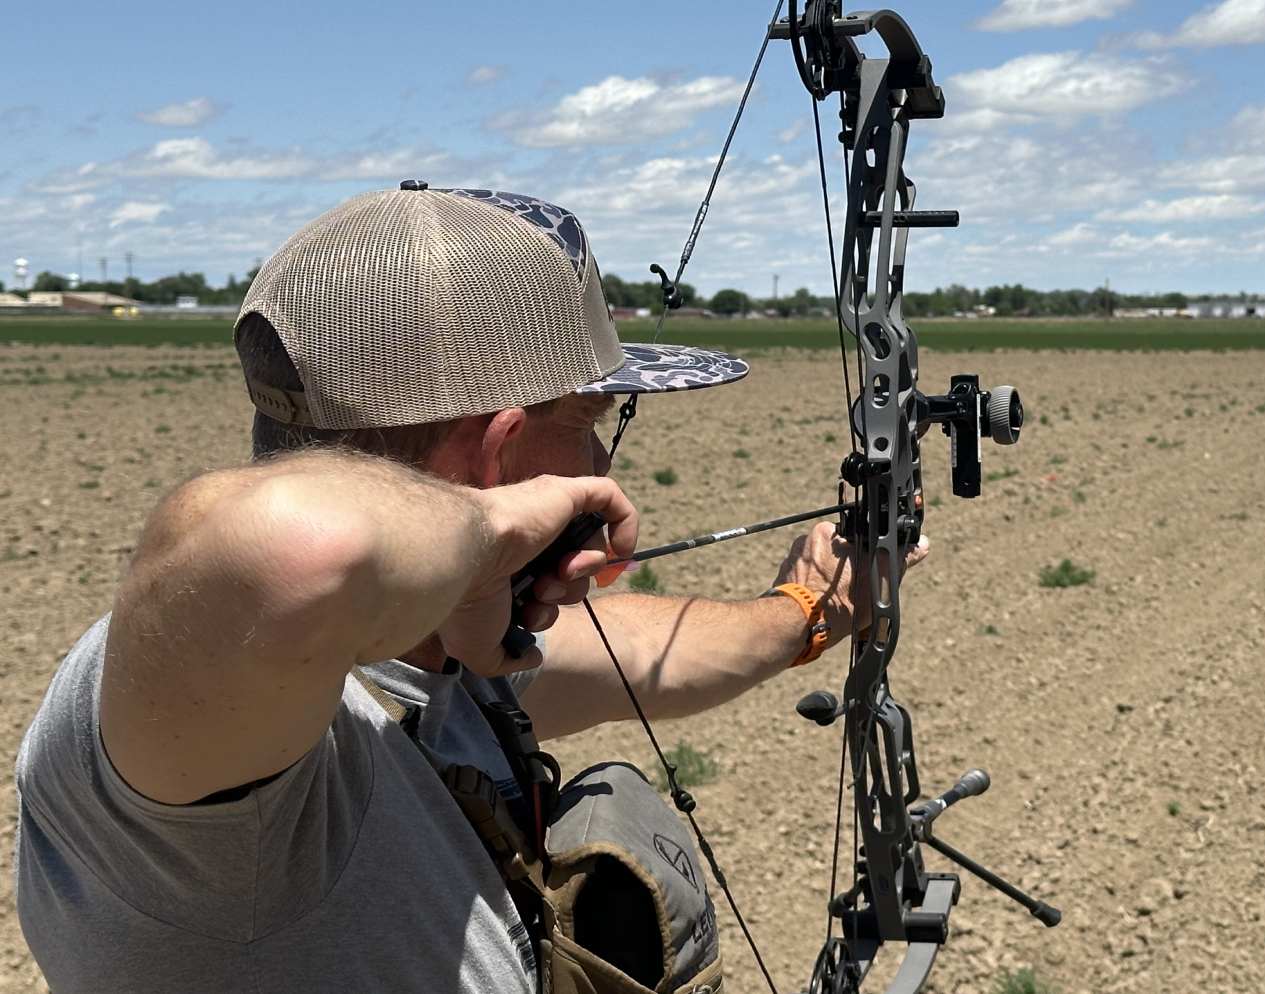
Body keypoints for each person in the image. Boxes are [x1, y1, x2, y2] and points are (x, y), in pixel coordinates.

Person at [13, 184, 927, 993]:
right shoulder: (206, 740)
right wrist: (489, 531)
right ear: (495, 457)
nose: (603, 460)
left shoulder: (439, 658)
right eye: (587, 420)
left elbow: (643, 655)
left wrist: (810, 607)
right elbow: (285, 552)